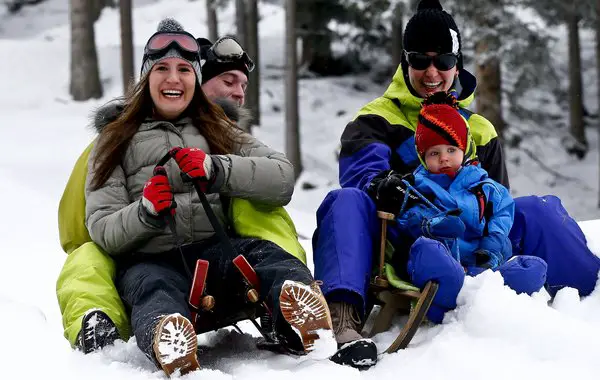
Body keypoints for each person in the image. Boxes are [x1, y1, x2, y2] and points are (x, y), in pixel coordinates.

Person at [313, 0, 600, 369]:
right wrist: (390, 185)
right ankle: (344, 319)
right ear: (405, 63)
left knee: (537, 209)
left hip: (476, 247)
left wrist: (488, 241)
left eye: (443, 61)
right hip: (401, 242)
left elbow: (500, 202)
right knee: (346, 201)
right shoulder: (374, 120)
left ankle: (589, 294)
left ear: (457, 63)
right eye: (420, 60)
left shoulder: (479, 129)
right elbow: (362, 178)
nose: (432, 72)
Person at [81, 18, 332, 376]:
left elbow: (282, 175)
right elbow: (103, 228)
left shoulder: (217, 128)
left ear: (196, 80)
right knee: (153, 290)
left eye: (184, 69)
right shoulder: (114, 139)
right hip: (150, 258)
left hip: (215, 249)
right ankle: (168, 338)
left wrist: (217, 169)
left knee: (267, 258)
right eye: (162, 69)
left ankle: (300, 312)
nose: (173, 78)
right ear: (145, 79)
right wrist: (147, 209)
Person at [376, 91, 548, 323]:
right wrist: (430, 225)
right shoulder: (416, 186)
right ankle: (450, 295)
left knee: (531, 268)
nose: (444, 158)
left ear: (464, 149)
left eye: (451, 150)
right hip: (438, 261)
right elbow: (407, 218)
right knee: (427, 252)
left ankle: (485, 292)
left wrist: (492, 244)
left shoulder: (483, 185)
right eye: (434, 153)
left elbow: (503, 213)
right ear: (422, 156)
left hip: (478, 262)